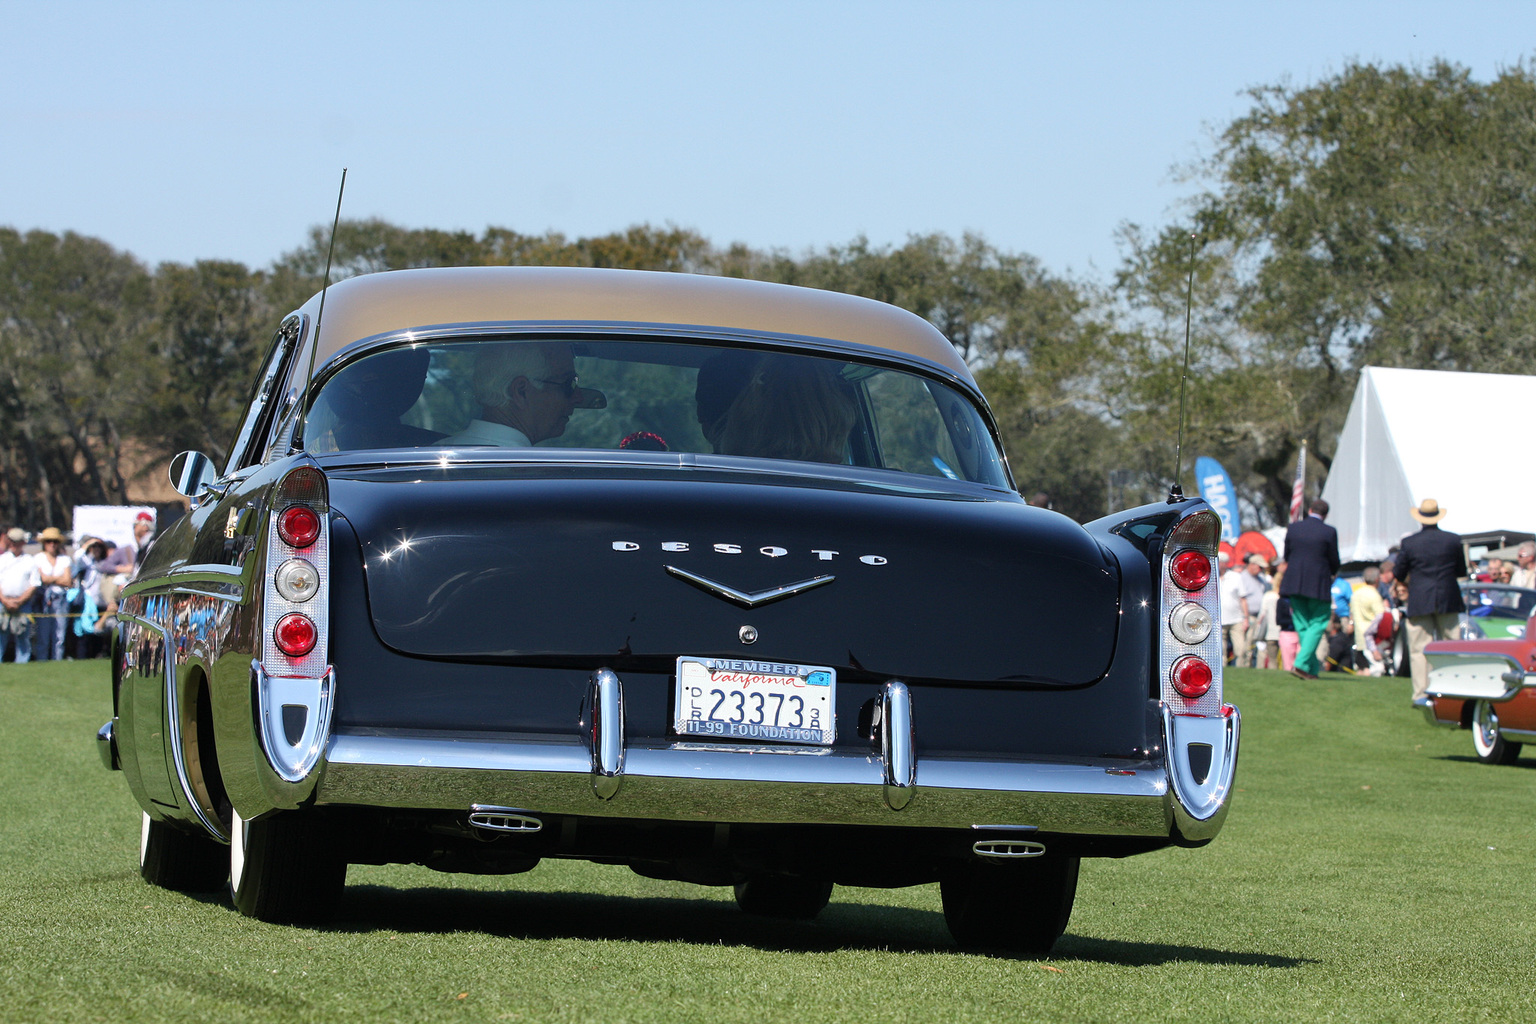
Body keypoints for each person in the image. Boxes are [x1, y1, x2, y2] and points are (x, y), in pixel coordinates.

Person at [440, 342, 603, 447]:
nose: (578, 397)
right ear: (521, 391)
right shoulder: (533, 478)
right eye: (568, 384)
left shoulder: (436, 454)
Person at [1393, 498, 1466, 706]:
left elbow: (1399, 571)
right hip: (1448, 597)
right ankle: (1453, 689)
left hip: (1420, 599)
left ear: (1421, 518)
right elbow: (1461, 571)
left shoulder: (1410, 542)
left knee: (1419, 649)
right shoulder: (1453, 540)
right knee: (1452, 645)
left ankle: (1421, 694)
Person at [1280, 498, 1340, 680]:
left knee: (1303, 623)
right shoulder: (1329, 531)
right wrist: (1333, 572)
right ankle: (1300, 664)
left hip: (1295, 582)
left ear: (1311, 509)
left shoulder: (1294, 528)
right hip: (1318, 585)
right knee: (1318, 622)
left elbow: (1287, 555)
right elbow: (1334, 560)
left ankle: (1311, 669)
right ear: (1326, 514)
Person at [1, 527, 41, 663]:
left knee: (23, 638)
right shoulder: (2, 559)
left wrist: (19, 601)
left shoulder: (30, 560)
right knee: (1, 637)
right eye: (11, 541)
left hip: (23, 604)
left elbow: (34, 584)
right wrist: (5, 601)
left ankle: (22, 664)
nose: (13, 544)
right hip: (3, 603)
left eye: (16, 542)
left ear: (22, 543)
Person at [33, 527, 73, 661]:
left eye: (55, 541)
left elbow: (68, 581)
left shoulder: (64, 559)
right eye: (49, 541)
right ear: (44, 543)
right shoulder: (38, 558)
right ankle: (42, 662)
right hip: (44, 600)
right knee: (43, 636)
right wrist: (58, 578)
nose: (52, 544)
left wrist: (52, 579)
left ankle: (57, 661)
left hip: (61, 599)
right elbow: (42, 579)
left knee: (59, 636)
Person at [1218, 552, 1252, 667]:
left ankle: (1240, 668)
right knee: (1220, 650)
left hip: (1236, 619)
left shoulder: (1236, 577)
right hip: (1218, 620)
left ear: (1224, 563)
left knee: (1240, 649)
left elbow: (1243, 599)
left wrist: (1246, 618)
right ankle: (1222, 670)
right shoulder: (1211, 576)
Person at [1350, 565, 1385, 674]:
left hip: (1358, 637)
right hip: (1371, 638)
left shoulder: (1356, 593)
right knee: (1373, 670)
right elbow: (1381, 616)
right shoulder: (1374, 595)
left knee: (1361, 669)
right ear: (1377, 579)